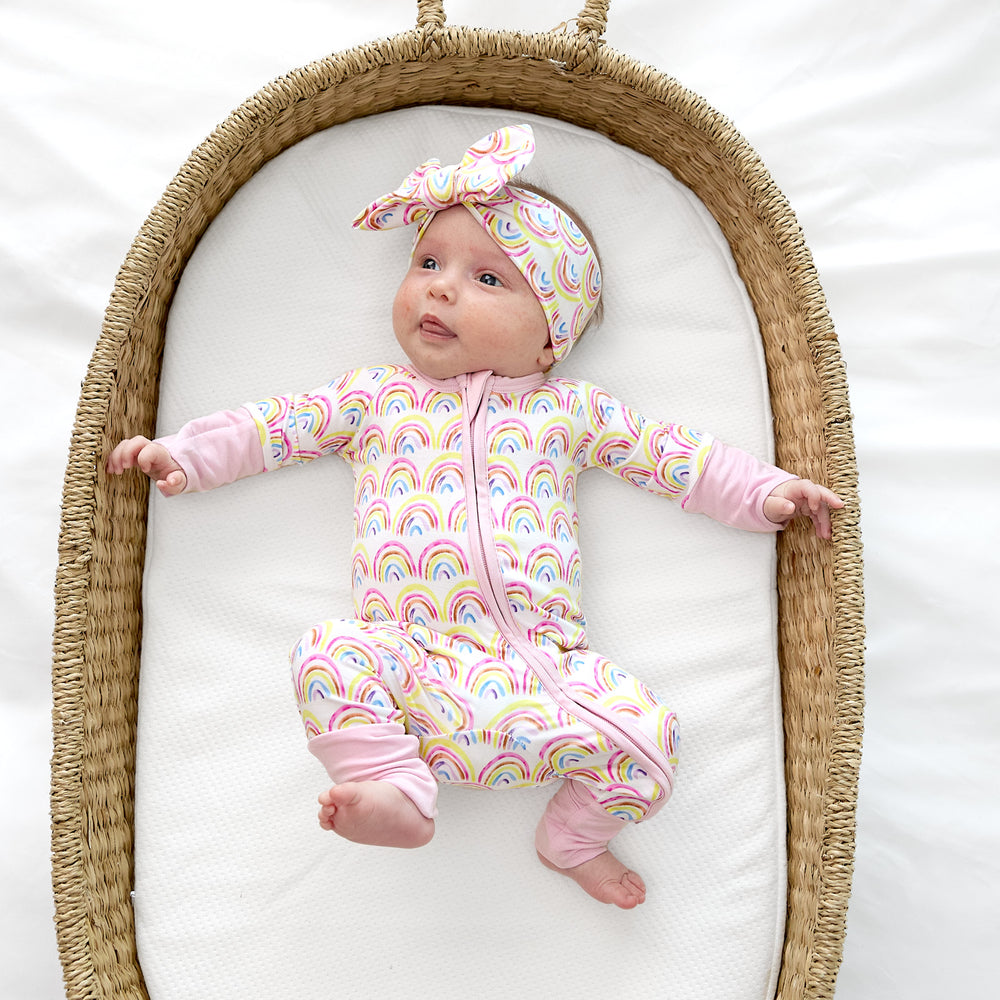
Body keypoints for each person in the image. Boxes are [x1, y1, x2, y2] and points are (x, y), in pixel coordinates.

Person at [106, 124, 843, 910]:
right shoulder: (376, 396)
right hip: (411, 673)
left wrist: (765, 493)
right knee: (326, 653)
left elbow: (673, 456)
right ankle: (392, 783)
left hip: (544, 680)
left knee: (652, 742)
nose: (440, 287)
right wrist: (186, 455)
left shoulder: (569, 410)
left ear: (551, 334)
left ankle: (571, 840)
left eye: (488, 279)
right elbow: (275, 427)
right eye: (427, 263)